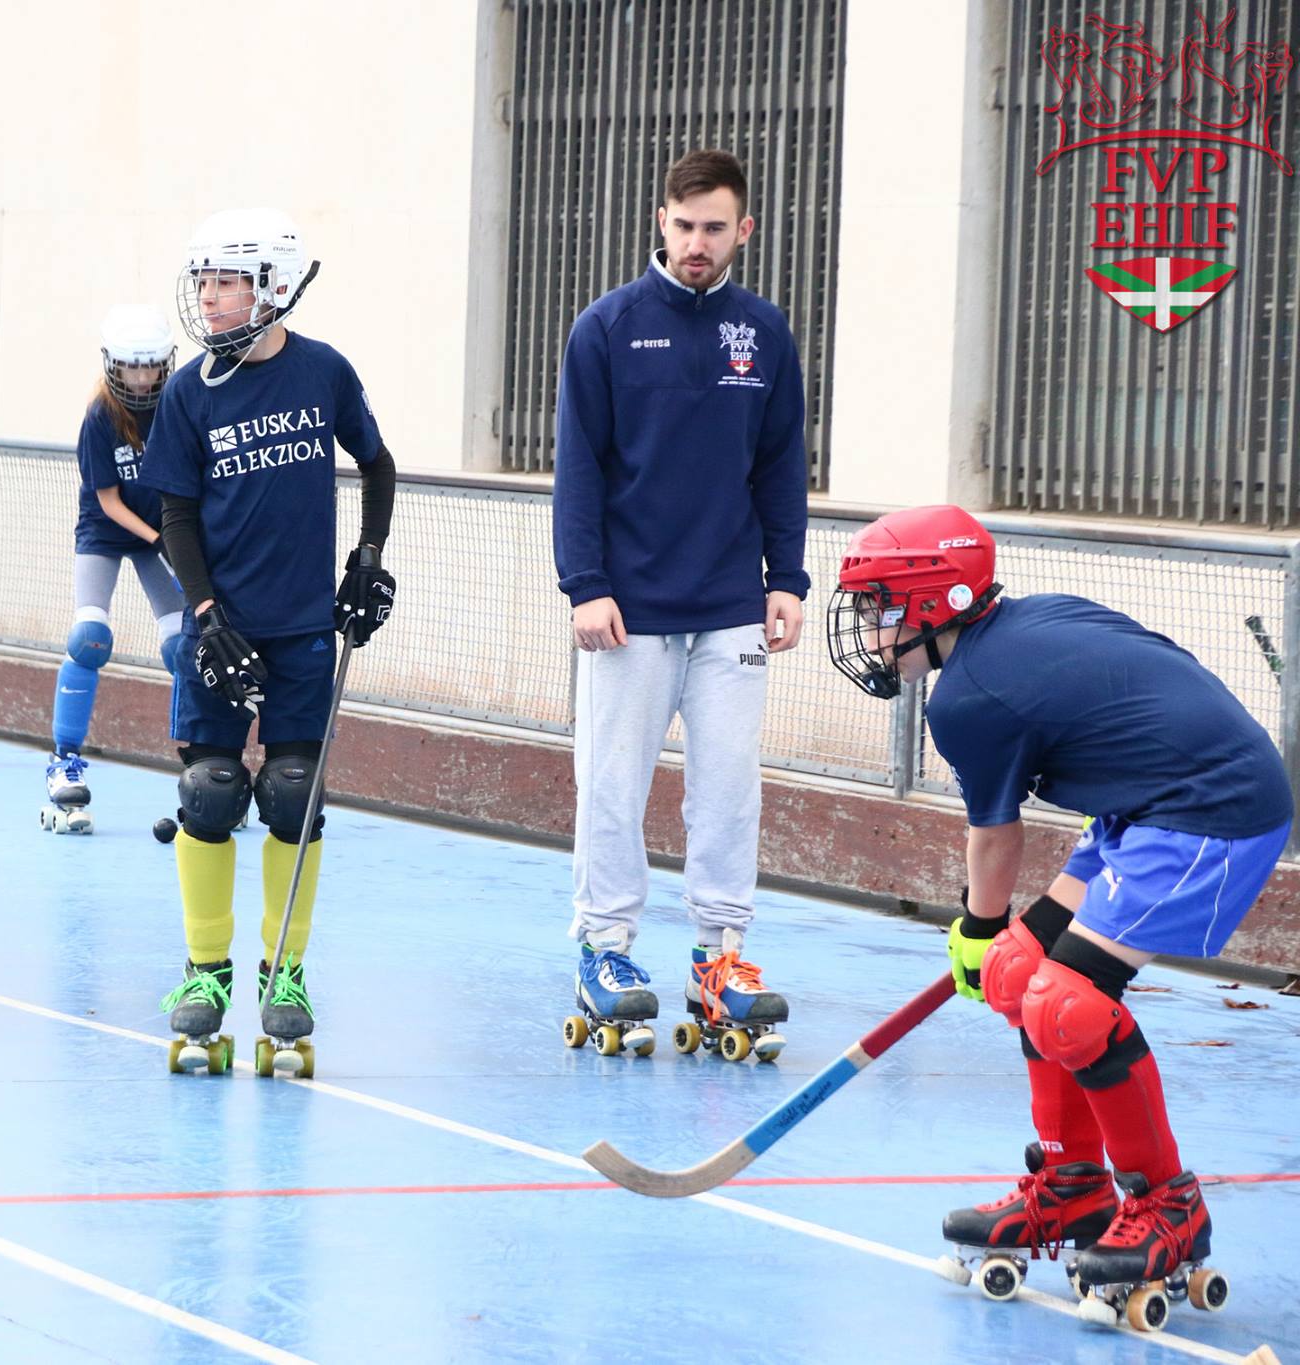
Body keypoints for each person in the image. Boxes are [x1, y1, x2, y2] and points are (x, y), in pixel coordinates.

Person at [828, 504, 1290, 1323]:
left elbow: (994, 837)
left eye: (880, 608)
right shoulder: (1024, 622)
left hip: (1208, 807)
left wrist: (977, 928)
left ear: (938, 602)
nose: (869, 630)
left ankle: (1168, 1202)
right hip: (1139, 806)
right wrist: (993, 946)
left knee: (1066, 1000)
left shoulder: (966, 697)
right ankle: (1075, 1184)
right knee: (1019, 973)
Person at [551, 148, 809, 1059]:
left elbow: (781, 464)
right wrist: (586, 585)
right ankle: (604, 948)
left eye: (715, 228)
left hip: (733, 605)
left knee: (730, 789)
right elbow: (579, 470)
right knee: (612, 785)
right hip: (628, 612)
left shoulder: (764, 333)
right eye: (685, 225)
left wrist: (787, 578)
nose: (698, 243)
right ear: (661, 221)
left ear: (744, 231)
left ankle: (719, 956)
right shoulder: (606, 329)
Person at [138, 207, 398, 1075]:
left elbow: (377, 463)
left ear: (273, 287)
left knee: (292, 793)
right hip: (222, 627)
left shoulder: (324, 371)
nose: (209, 299)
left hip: (302, 628)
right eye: (204, 282)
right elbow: (175, 513)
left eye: (226, 282)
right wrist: (205, 613)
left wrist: (367, 558)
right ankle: (206, 971)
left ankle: (284, 971)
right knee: (210, 792)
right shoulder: (189, 392)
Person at [40, 304, 187, 835]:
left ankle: (206, 765)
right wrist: (161, 539)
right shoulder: (100, 416)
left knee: (185, 647)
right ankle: (64, 762)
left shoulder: (176, 405)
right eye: (132, 367)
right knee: (90, 637)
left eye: (151, 367)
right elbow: (108, 501)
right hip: (109, 531)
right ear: (113, 364)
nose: (142, 379)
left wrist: (177, 537)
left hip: (158, 530)